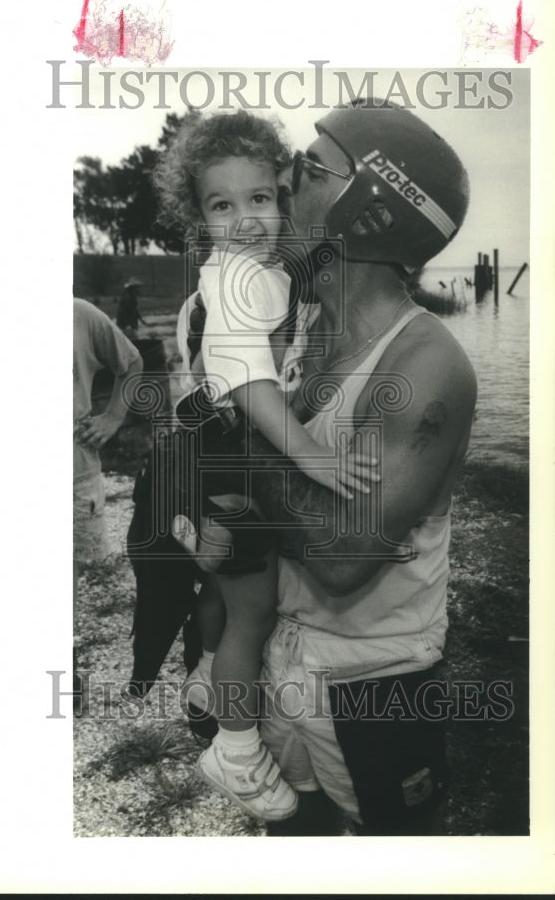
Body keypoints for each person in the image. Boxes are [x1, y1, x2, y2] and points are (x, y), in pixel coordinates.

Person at [178, 99, 476, 835]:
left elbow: (346, 554)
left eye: (311, 169)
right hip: (283, 656)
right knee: (292, 837)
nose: (284, 180)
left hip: (376, 677)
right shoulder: (298, 323)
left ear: (367, 210)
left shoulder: (427, 363)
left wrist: (225, 437)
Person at [153, 110, 378, 821]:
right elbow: (250, 380)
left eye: (260, 199)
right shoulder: (230, 284)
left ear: (282, 195)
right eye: (223, 206)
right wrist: (310, 453)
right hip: (230, 454)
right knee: (256, 610)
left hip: (213, 448)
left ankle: (203, 678)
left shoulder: (256, 269)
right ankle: (237, 749)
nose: (246, 219)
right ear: (199, 217)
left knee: (228, 586)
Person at [73, 297, 143, 707]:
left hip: (71, 467)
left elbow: (132, 363)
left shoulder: (79, 314)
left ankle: (64, 675)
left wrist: (113, 417)